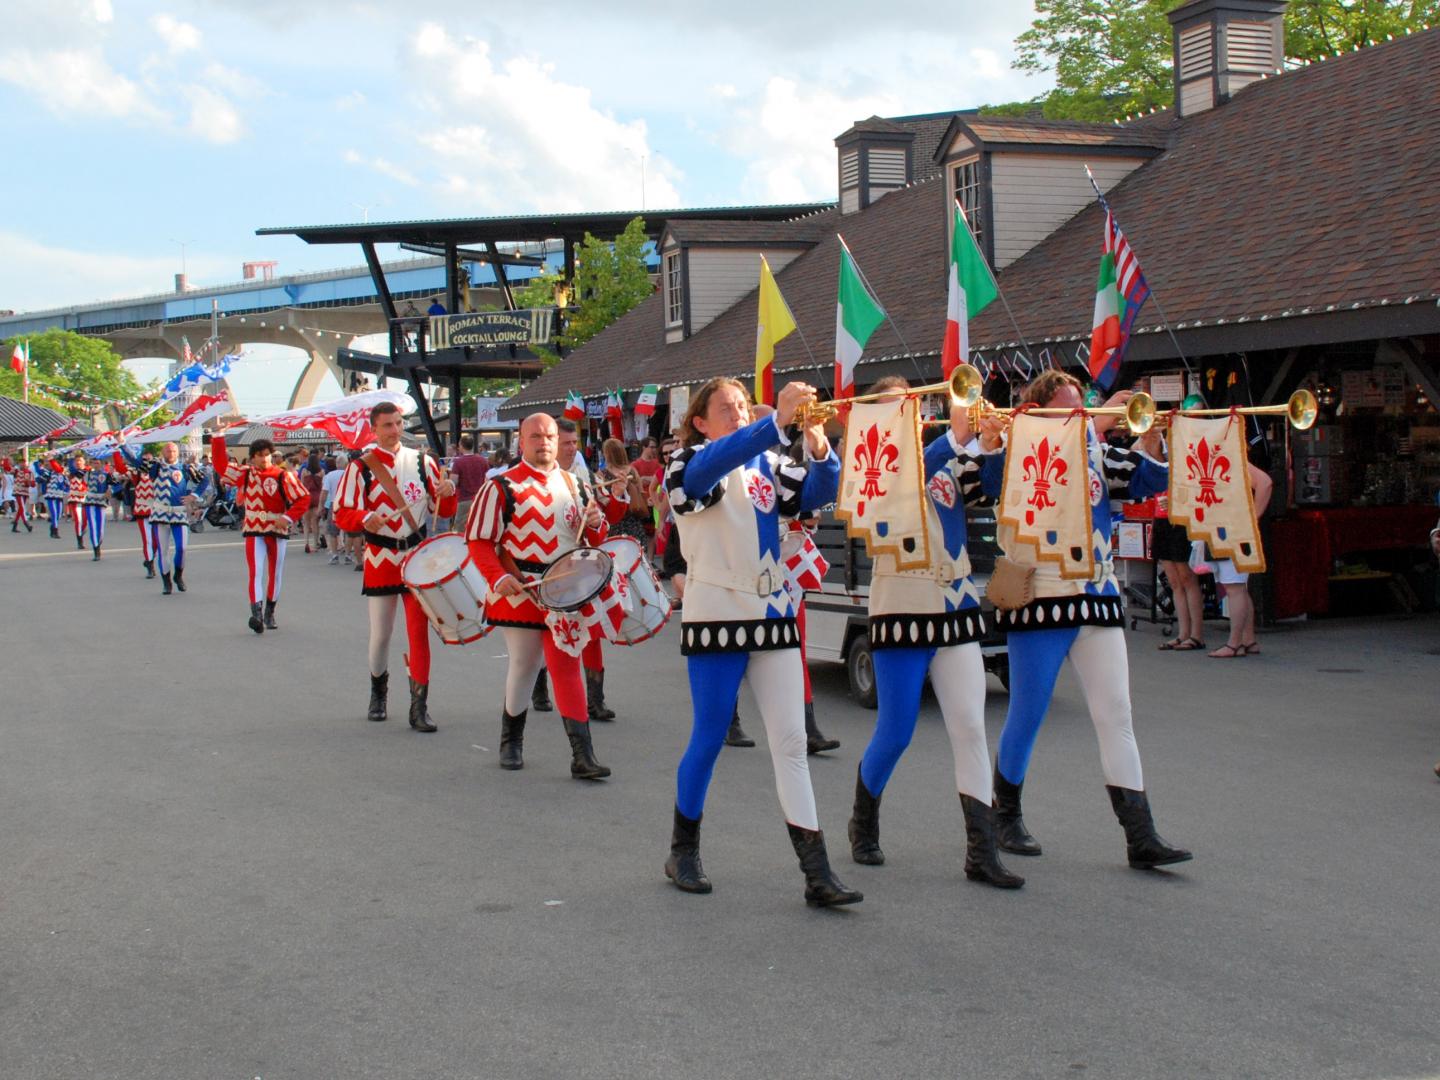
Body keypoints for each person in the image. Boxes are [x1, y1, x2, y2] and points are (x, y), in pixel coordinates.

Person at [980, 370, 1191, 871]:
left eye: (1080, 405)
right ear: (1038, 410)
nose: (1077, 413)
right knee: (1028, 713)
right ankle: (1004, 815)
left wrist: (1153, 438)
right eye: (1067, 405)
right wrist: (994, 442)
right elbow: (989, 483)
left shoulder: (1097, 452)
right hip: (1041, 595)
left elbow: (1149, 478)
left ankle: (1141, 834)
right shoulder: (1017, 448)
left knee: (1116, 714)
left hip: (1097, 594)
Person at [662, 376, 860, 907]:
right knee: (707, 738)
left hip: (772, 611)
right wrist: (773, 425)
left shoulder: (767, 464)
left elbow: (818, 491)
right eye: (726, 408)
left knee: (792, 742)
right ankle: (683, 849)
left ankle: (816, 872)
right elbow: (710, 470)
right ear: (699, 422)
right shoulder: (684, 464)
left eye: (744, 406)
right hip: (716, 615)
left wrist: (818, 442)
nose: (739, 412)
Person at [845, 376, 1021, 888]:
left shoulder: (941, 456)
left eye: (913, 406)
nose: (910, 415)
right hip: (901, 600)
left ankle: (981, 852)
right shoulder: (870, 461)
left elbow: (986, 491)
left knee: (969, 726)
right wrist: (957, 439)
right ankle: (864, 818)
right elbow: (898, 477)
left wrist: (992, 446)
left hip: (955, 599)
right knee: (896, 732)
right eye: (897, 408)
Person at [466, 412, 613, 780]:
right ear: (521, 441)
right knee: (525, 665)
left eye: (549, 436)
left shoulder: (576, 485)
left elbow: (591, 541)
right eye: (535, 436)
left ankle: (583, 755)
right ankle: (511, 741)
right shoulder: (500, 487)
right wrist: (498, 579)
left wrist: (596, 524)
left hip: (565, 591)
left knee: (565, 663)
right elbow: (479, 541)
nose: (544, 442)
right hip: (519, 592)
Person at [334, 404, 457, 731]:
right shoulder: (361, 467)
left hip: (416, 558)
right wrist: (363, 518)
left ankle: (419, 707)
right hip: (380, 558)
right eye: (387, 425)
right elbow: (342, 512)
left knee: (419, 633)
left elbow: (440, 508)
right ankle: (379, 690)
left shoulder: (422, 462)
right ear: (374, 429)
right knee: (382, 634)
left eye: (398, 423)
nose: (393, 429)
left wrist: (448, 491)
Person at [211, 435, 310, 633]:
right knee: (255, 572)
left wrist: (288, 518)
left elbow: (303, 498)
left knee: (275, 572)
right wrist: (217, 438)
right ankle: (256, 614)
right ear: (252, 457)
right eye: (259, 455)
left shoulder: (283, 475)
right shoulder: (246, 474)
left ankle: (270, 612)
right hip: (254, 528)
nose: (264, 459)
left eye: (267, 455)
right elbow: (221, 465)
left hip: (276, 528)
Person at [119, 443, 210, 595]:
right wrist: (123, 445)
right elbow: (135, 461)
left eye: (174, 450)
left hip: (179, 513)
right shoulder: (156, 467)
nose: (171, 452)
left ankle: (178, 575)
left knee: (182, 548)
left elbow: (204, 480)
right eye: (168, 450)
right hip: (160, 513)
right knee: (163, 550)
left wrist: (193, 496)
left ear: (178, 452)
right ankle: (166, 581)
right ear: (163, 452)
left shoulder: (185, 468)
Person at [1153, 506, 1205, 651]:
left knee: (1187, 579)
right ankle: (1183, 633)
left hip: (1181, 517)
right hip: (1161, 517)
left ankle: (1197, 635)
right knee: (1174, 582)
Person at [113, 450, 158, 577]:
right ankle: (150, 564)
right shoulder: (136, 473)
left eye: (149, 460)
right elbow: (121, 468)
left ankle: (149, 559)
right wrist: (116, 452)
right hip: (143, 510)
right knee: (148, 540)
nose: (147, 462)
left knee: (158, 542)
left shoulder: (159, 472)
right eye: (144, 460)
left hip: (159, 511)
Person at [448, 433, 490, 529]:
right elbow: (487, 479)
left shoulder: (458, 462)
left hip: (464, 499)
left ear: (461, 446)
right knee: (478, 527)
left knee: (460, 529)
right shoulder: (483, 460)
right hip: (480, 499)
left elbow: (453, 482)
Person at [79, 456, 112, 560]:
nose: (95, 465)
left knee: (100, 527)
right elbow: (75, 472)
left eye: (97, 463)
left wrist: (110, 491)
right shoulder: (87, 474)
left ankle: (99, 543)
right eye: (93, 463)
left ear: (101, 464)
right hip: (90, 501)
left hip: (101, 501)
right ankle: (96, 549)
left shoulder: (107, 475)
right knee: (92, 526)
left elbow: (115, 485)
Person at [320, 453, 350, 565]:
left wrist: (321, 506)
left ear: (337, 464)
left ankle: (334, 555)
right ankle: (347, 555)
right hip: (348, 504)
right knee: (348, 531)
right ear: (347, 464)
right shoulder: (349, 474)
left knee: (333, 532)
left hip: (334, 503)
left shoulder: (330, 475)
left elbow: (324, 493)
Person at [300, 459, 324, 554]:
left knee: (306, 523)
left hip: (307, 496)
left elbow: (301, 484)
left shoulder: (304, 471)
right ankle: (315, 543)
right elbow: (323, 486)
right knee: (315, 522)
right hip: (317, 497)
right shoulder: (321, 472)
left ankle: (306, 542)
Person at [42, 458, 68, 539]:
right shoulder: (48, 473)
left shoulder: (61, 473)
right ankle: (55, 531)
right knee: (54, 513)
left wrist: (65, 488)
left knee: (59, 515)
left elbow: (67, 484)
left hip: (59, 495)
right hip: (50, 495)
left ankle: (52, 527)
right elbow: (41, 480)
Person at [9, 460, 34, 533]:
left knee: (20, 509)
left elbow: (33, 484)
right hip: (18, 491)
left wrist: (29, 481)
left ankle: (14, 526)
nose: (21, 465)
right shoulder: (16, 471)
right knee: (22, 507)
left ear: (25, 464)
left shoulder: (29, 472)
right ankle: (26, 524)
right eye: (20, 463)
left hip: (25, 492)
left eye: (23, 463)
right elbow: (9, 470)